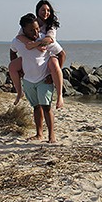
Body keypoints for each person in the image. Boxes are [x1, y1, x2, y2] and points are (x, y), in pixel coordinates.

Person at [11, 13, 66, 143]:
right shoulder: (18, 41)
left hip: (44, 79)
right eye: (31, 30)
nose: (35, 32)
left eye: (37, 28)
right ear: (24, 29)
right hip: (29, 80)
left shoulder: (44, 40)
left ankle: (51, 135)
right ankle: (39, 134)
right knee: (36, 107)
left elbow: (62, 54)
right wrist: (19, 71)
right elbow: (12, 51)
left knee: (46, 107)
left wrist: (53, 75)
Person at [11, 0, 62, 106]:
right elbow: (19, 37)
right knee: (12, 66)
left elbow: (49, 40)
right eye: (43, 10)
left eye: (48, 10)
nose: (46, 13)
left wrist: (35, 45)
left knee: (54, 64)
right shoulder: (30, 22)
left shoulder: (51, 25)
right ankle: (19, 92)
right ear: (37, 11)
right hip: (32, 55)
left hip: (48, 54)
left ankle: (60, 96)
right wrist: (28, 44)